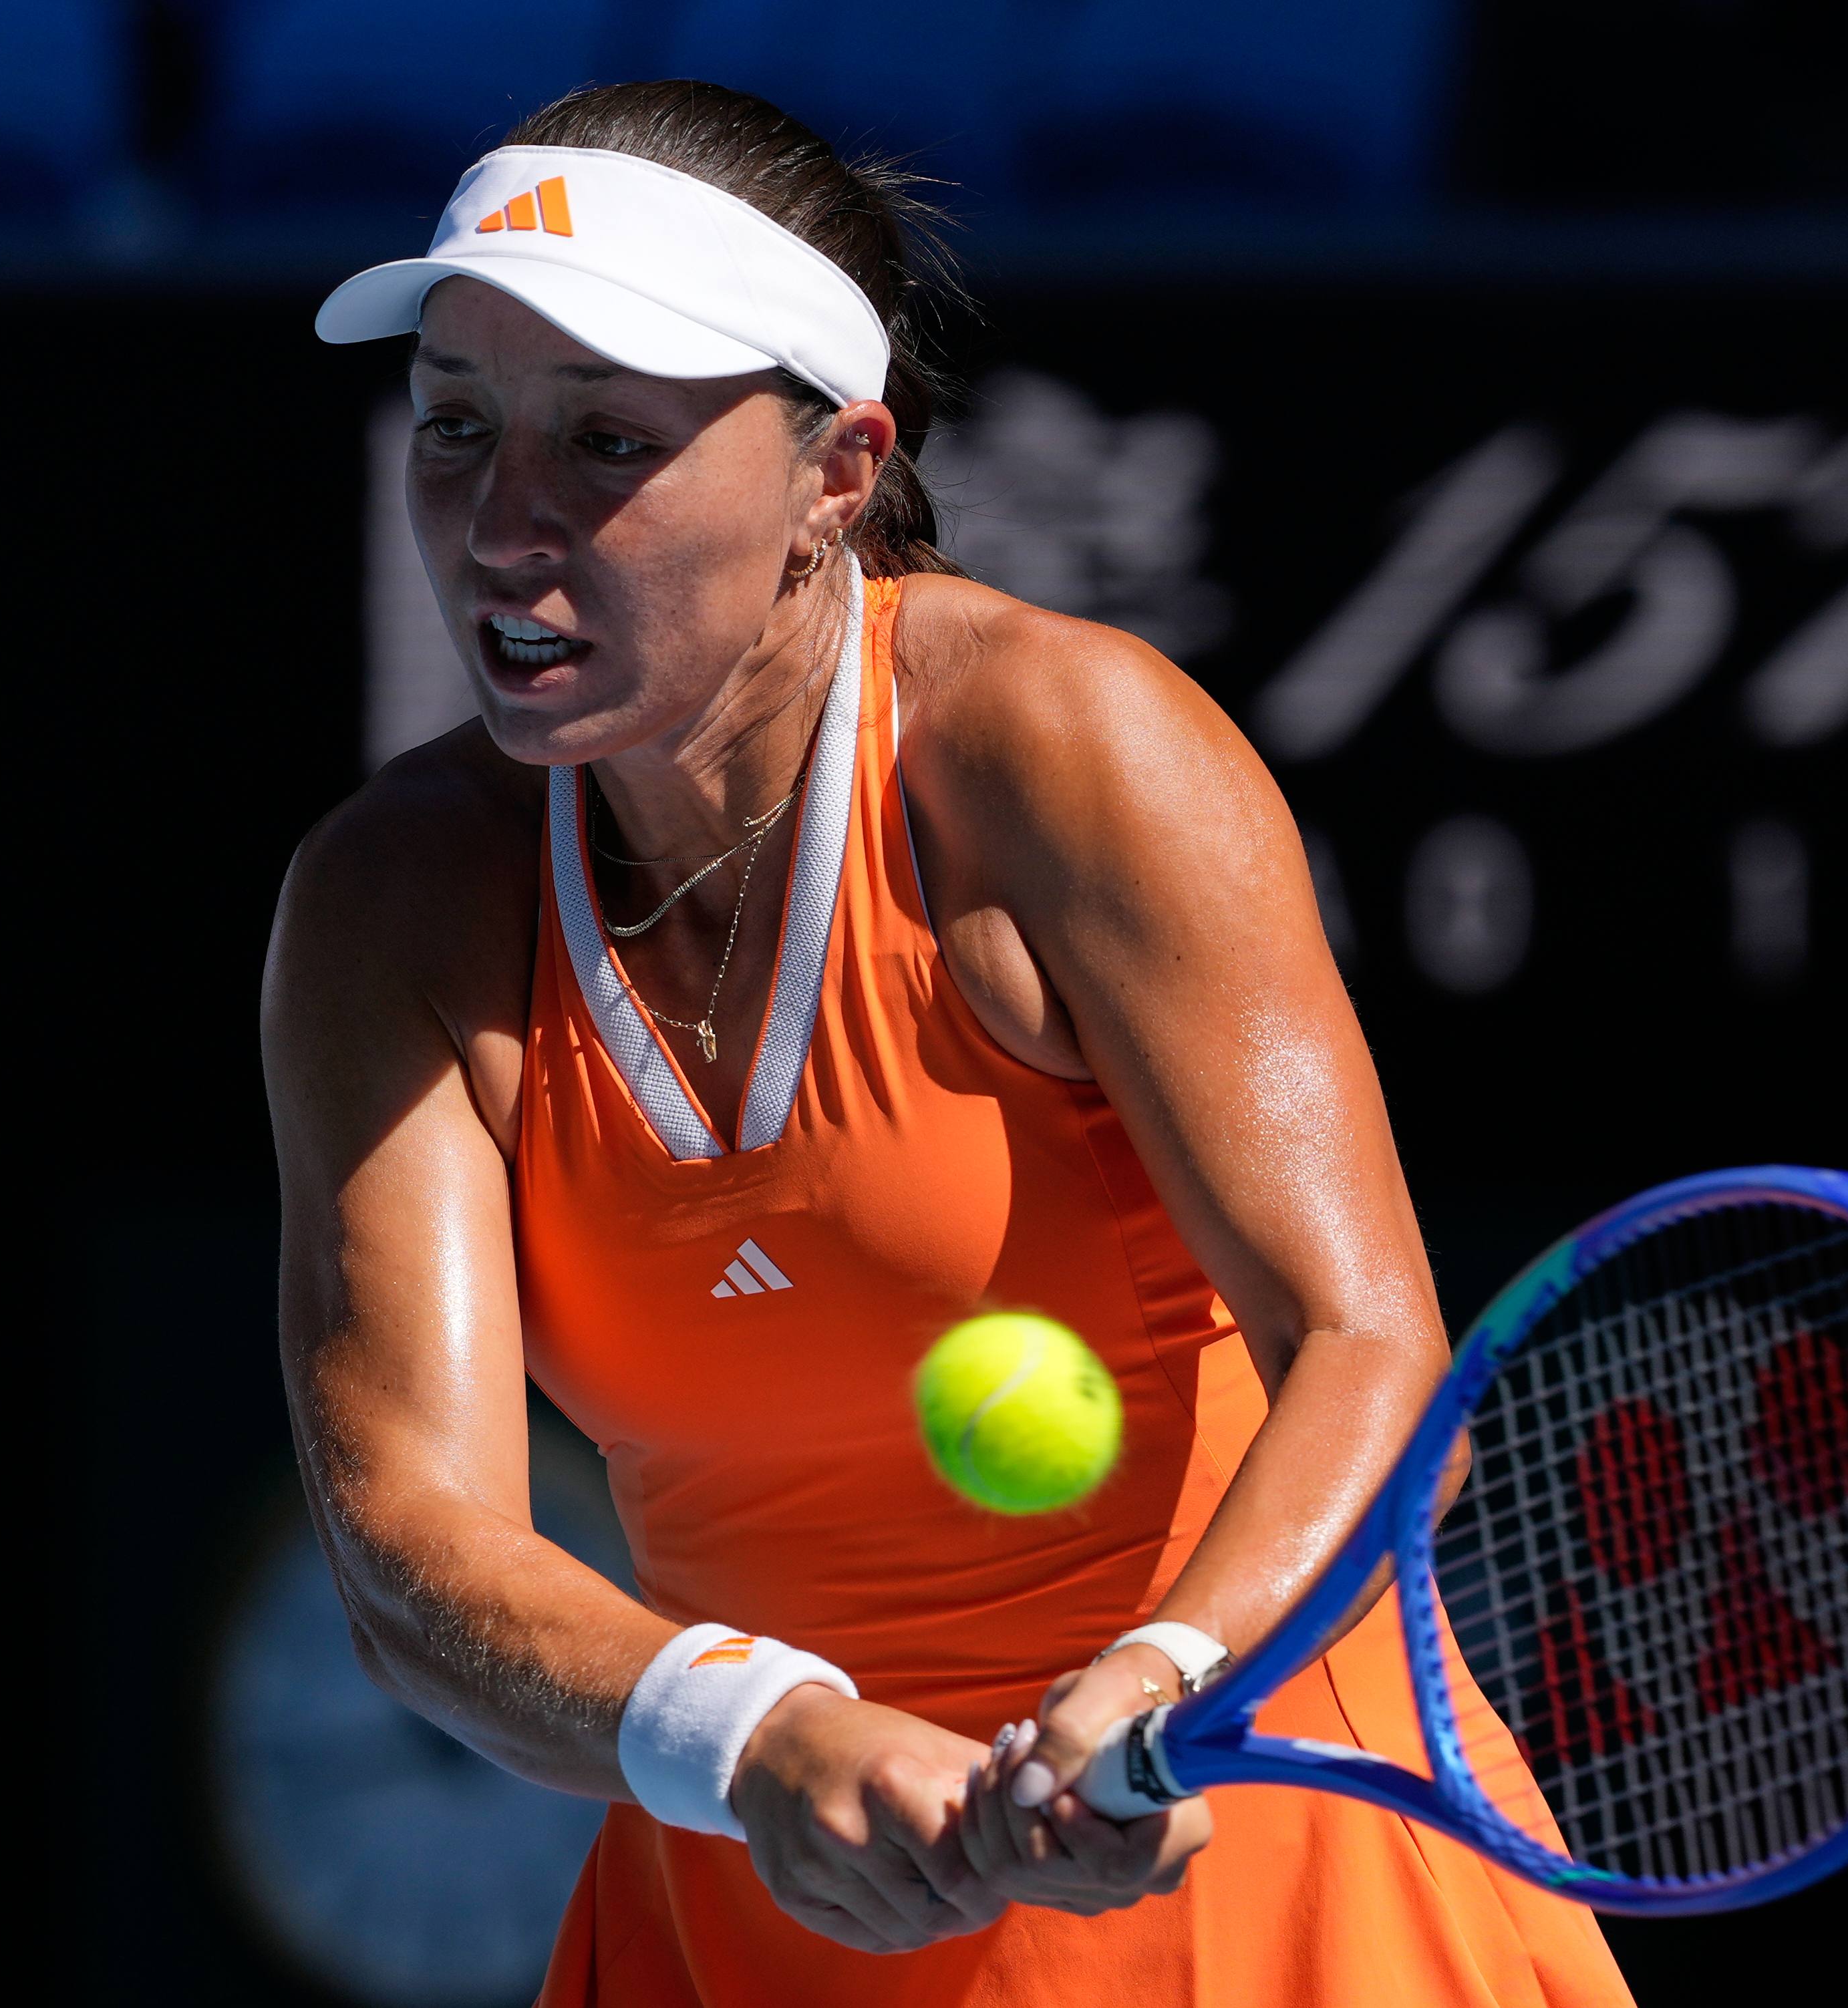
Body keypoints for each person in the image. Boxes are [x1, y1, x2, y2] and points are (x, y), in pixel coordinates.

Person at [264, 78, 1632, 2007]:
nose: (503, 522)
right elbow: (414, 1539)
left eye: (606, 440)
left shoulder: (1062, 750)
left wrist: (1163, 1687)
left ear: (838, 470)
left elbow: (1374, 1349)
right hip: (753, 1895)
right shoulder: (389, 908)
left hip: (1256, 1874)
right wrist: (753, 1739)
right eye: (459, 426)